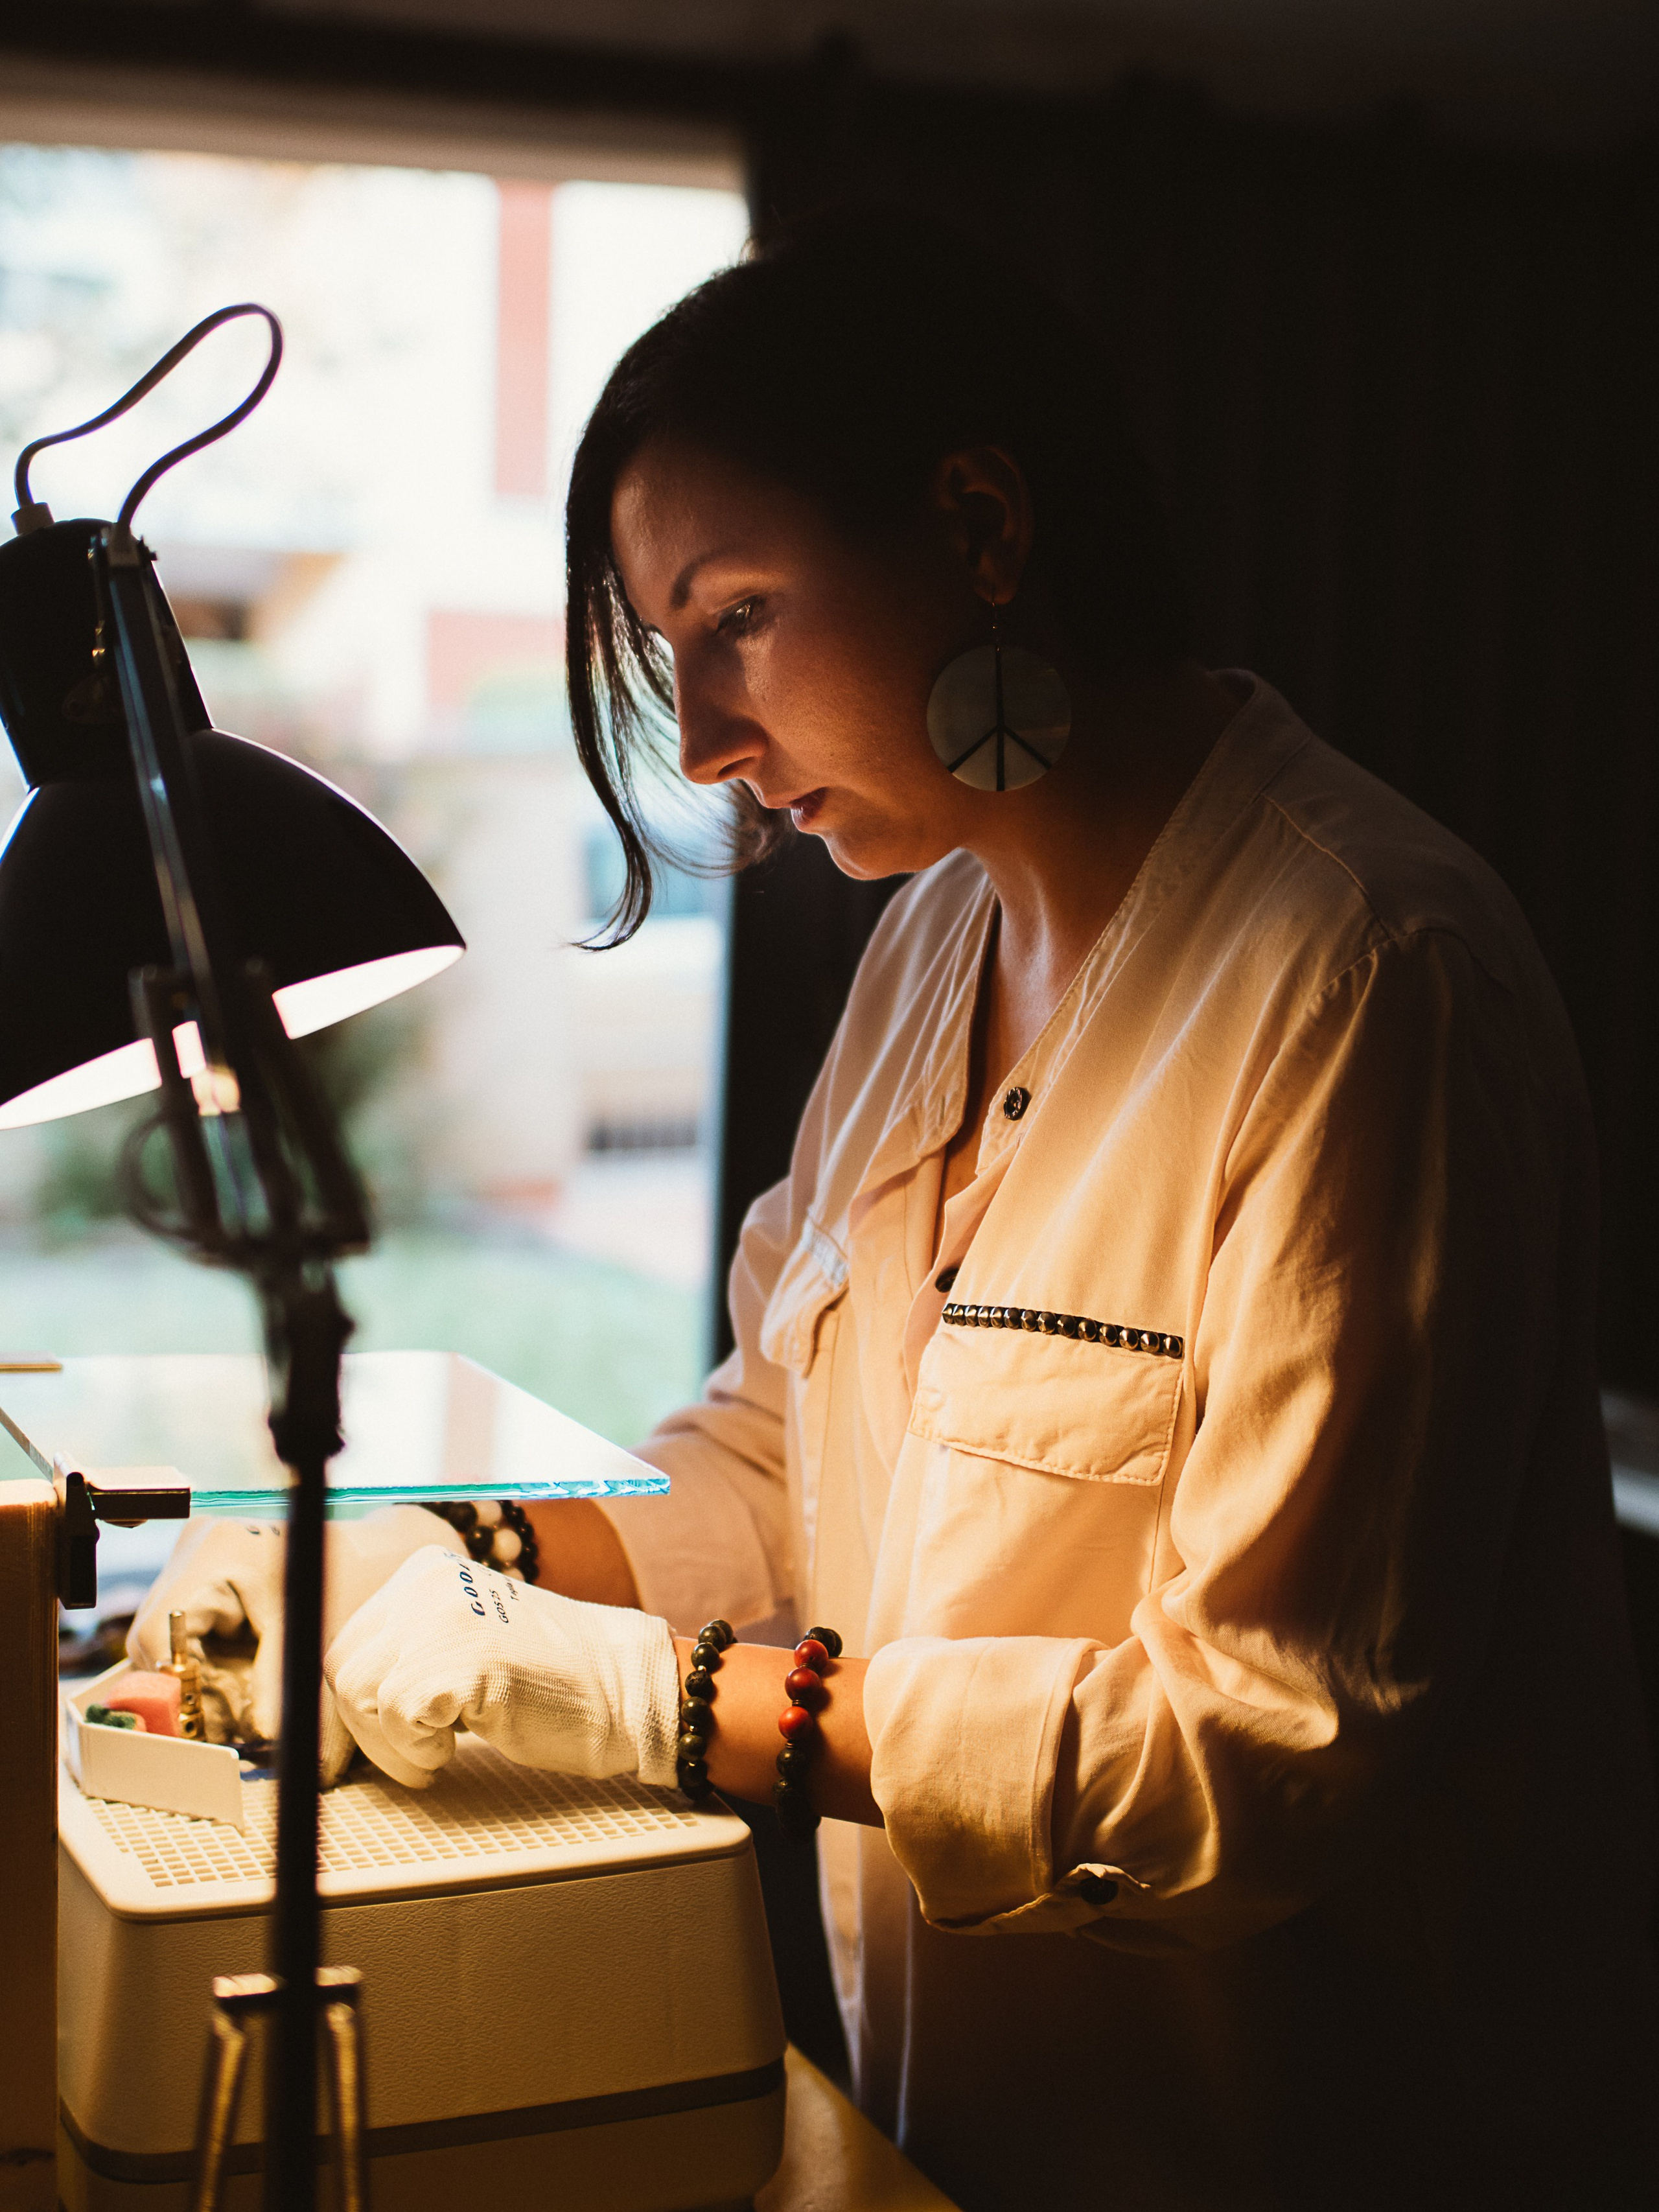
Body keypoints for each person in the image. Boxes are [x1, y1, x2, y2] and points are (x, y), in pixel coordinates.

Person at [141, 212, 1658, 2209]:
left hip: (1300, 2143)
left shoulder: (1367, 977)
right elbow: (782, 1440)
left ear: (981, 527)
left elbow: (1256, 1758)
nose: (700, 743)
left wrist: (632, 1698)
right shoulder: (937, 937)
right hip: (943, 2131)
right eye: (667, 653)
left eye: (737, 615)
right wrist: (438, 1547)